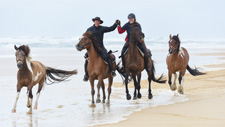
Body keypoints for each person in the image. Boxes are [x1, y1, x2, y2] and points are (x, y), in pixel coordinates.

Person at [83, 17, 120, 81]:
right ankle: (86, 74)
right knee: (86, 58)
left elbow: (111, 28)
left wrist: (115, 24)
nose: (97, 22)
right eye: (96, 21)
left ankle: (112, 71)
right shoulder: (89, 29)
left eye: (98, 21)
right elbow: (85, 37)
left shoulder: (102, 28)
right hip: (92, 48)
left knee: (107, 57)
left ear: (99, 22)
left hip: (101, 47)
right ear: (94, 22)